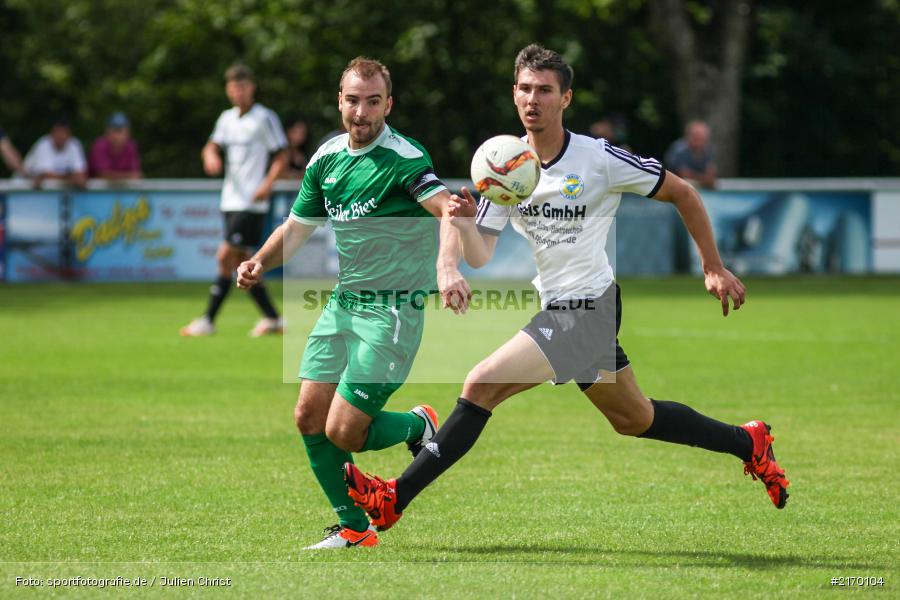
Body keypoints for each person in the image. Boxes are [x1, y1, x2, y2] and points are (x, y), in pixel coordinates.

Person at [344, 44, 790, 537]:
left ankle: (394, 497)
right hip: (562, 307)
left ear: (566, 98)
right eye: (525, 89)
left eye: (544, 90)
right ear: (514, 94)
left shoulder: (597, 158)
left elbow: (682, 192)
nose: (532, 99)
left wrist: (713, 266)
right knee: (634, 418)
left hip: (589, 308)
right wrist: (467, 224)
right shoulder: (506, 163)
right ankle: (748, 442)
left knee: (481, 384)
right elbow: (481, 253)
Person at [234, 57, 471, 549]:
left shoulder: (405, 158)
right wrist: (258, 261)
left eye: (372, 101)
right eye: (353, 100)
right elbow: (296, 230)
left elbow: (446, 210)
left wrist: (447, 268)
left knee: (343, 431)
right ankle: (356, 529)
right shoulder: (326, 159)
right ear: (339, 101)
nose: (361, 112)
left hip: (392, 312)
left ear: (389, 105)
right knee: (308, 416)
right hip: (343, 303)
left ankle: (417, 424)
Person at [180, 64, 289, 338]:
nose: (237, 93)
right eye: (232, 88)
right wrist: (210, 155)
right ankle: (273, 318)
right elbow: (211, 145)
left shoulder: (264, 118)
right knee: (241, 261)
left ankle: (208, 320)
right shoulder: (226, 119)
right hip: (230, 200)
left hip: (251, 202)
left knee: (224, 257)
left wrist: (267, 185)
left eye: (242, 87)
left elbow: (281, 155)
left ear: (251, 88)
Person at [22, 118, 87, 188]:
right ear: (52, 133)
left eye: (64, 132)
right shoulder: (43, 145)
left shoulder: (74, 145)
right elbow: (44, 175)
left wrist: (72, 177)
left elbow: (81, 175)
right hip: (22, 186)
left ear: (69, 134)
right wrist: (69, 177)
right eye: (58, 132)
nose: (60, 135)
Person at [88, 112, 142, 179]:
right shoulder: (99, 145)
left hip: (123, 186)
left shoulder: (131, 146)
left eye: (120, 131)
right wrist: (128, 176)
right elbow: (103, 174)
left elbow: (136, 174)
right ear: (107, 132)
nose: (116, 135)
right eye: (114, 130)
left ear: (128, 133)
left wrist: (114, 175)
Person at [664, 120, 717, 189]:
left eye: (702, 139)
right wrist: (704, 178)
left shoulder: (708, 150)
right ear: (689, 136)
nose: (699, 143)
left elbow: (711, 172)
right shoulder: (679, 150)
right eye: (696, 138)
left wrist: (708, 177)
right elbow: (682, 174)